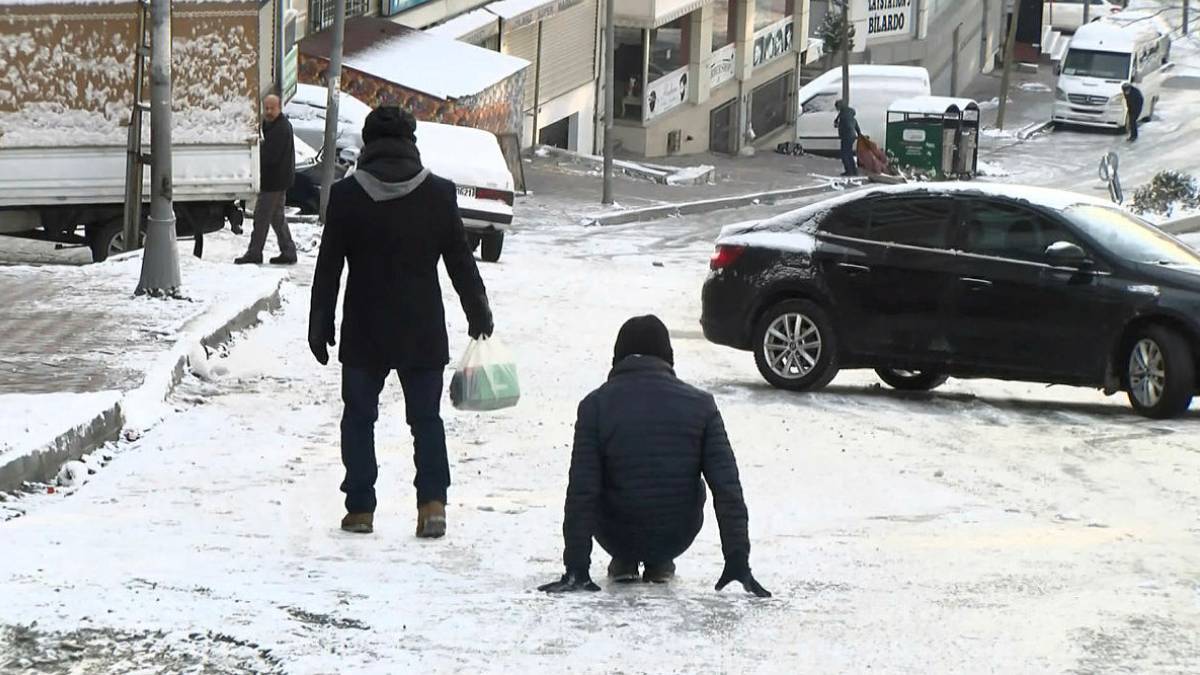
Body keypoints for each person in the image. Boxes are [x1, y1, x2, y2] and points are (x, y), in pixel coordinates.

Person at [308, 107, 493, 538]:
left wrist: (320, 323)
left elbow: (329, 267)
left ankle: (360, 509)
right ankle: (432, 506)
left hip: (364, 328)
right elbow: (461, 263)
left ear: (368, 146)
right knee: (426, 420)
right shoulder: (439, 194)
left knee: (358, 418)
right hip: (422, 328)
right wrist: (478, 312)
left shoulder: (347, 195)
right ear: (411, 143)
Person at [537, 315, 770, 597]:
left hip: (614, 534)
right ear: (668, 357)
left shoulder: (595, 406)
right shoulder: (702, 406)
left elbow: (582, 491)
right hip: (677, 535)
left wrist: (576, 567)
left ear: (617, 358)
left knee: (601, 478)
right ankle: (660, 562)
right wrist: (737, 559)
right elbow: (727, 487)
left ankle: (624, 560)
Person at [236, 94, 297, 265]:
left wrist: (253, 159)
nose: (268, 111)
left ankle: (255, 252)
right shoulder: (271, 125)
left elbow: (269, 156)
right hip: (277, 179)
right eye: (266, 108)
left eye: (272, 108)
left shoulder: (281, 128)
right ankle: (288, 251)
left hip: (274, 180)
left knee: (261, 216)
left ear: (279, 108)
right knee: (277, 217)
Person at [834, 100, 862, 177]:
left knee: (844, 154)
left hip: (846, 136)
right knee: (849, 153)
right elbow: (855, 124)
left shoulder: (844, 115)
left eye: (837, 107)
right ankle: (854, 171)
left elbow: (847, 125)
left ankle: (849, 171)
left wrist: (840, 127)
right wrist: (859, 134)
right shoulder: (848, 114)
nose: (837, 109)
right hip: (851, 136)